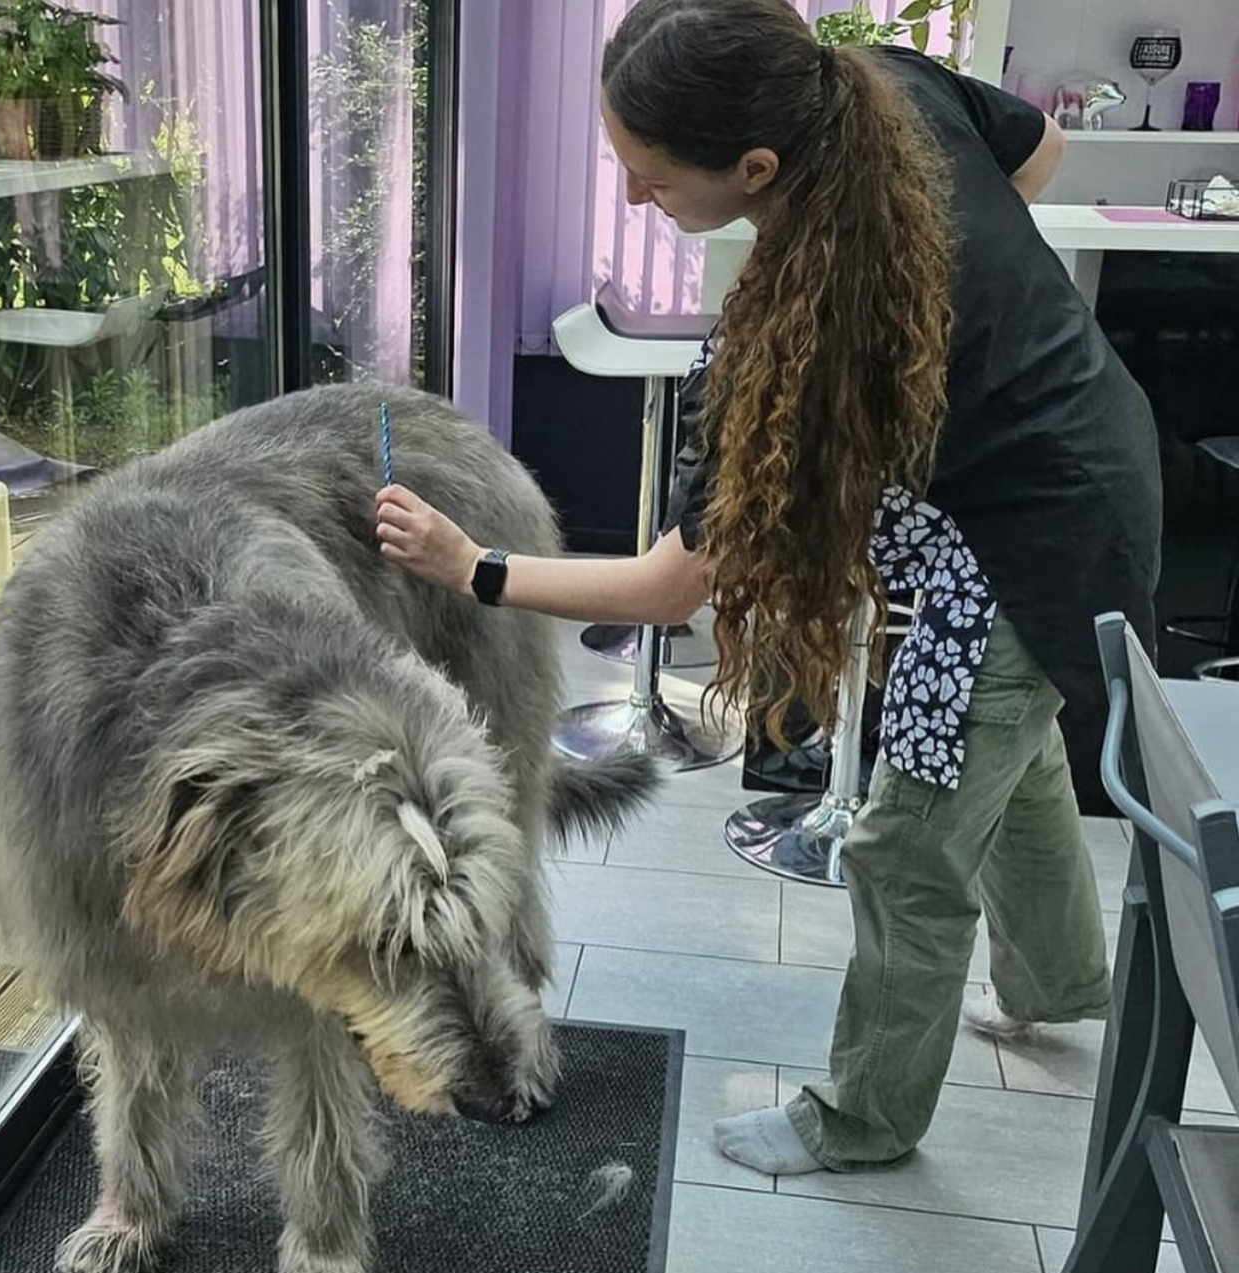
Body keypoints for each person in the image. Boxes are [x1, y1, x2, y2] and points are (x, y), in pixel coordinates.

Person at [373, 0, 1161, 1175]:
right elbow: (1035, 152)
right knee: (1015, 746)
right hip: (1098, 439)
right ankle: (1060, 984)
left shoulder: (819, 315)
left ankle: (861, 1119)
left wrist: (468, 565)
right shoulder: (866, 80)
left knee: (907, 843)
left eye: (647, 178)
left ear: (753, 167)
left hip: (1020, 543)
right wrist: (957, 326)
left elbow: (663, 585)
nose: (634, 199)